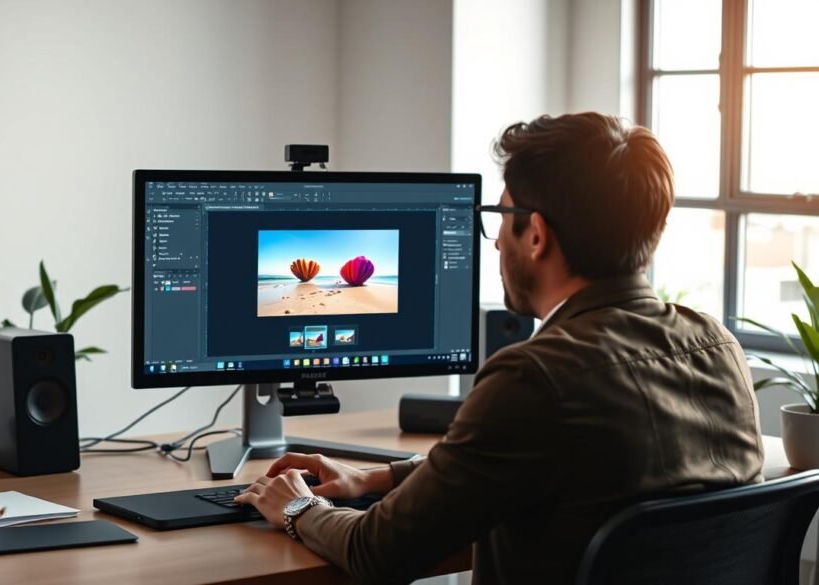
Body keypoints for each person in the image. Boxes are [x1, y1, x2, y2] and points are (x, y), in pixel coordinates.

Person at [233, 112, 764, 585]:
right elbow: (527, 466)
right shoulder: (718, 345)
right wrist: (380, 476)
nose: (494, 241)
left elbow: (378, 555)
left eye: (502, 217)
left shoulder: (536, 377)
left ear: (535, 235)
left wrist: (298, 507)